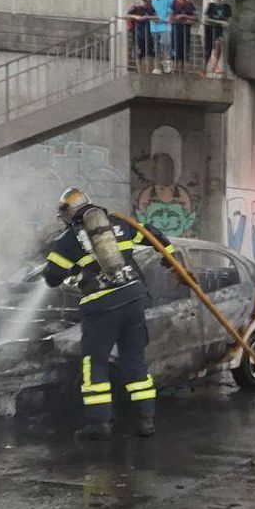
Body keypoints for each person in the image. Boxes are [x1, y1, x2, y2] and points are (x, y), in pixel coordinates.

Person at [43, 189, 180, 440]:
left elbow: (52, 278)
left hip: (101, 306)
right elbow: (155, 236)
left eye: (63, 216)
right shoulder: (120, 223)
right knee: (135, 359)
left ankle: (99, 423)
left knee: (95, 363)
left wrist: (68, 264)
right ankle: (146, 420)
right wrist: (170, 258)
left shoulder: (68, 239)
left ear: (69, 213)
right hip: (133, 299)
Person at [203, 0, 232, 77]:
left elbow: (228, 21)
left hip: (220, 31)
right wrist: (219, 22)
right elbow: (206, 19)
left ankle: (215, 66)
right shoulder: (211, 5)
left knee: (218, 45)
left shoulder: (226, 7)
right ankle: (204, 68)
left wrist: (222, 23)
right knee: (208, 50)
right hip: (209, 30)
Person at [126, 0, 156, 72]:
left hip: (148, 34)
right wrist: (136, 17)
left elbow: (157, 18)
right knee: (139, 54)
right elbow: (127, 15)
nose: (151, 0)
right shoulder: (136, 7)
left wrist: (148, 18)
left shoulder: (151, 8)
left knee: (150, 53)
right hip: (138, 34)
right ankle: (140, 71)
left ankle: (148, 71)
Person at [171, 0, 197, 73]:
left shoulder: (189, 5)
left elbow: (195, 17)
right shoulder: (174, 3)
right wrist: (177, 17)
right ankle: (175, 69)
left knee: (184, 50)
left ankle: (182, 70)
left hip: (185, 31)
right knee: (175, 49)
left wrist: (184, 16)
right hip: (175, 30)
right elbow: (170, 16)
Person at [149, 0, 173, 72]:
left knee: (165, 44)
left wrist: (167, 20)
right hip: (153, 27)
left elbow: (170, 12)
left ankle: (166, 64)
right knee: (156, 48)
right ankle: (157, 67)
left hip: (165, 27)